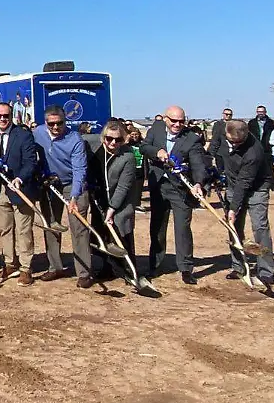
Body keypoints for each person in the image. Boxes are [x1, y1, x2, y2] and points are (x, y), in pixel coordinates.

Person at [139, 106, 208, 285]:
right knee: (157, 227)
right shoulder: (155, 129)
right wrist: (157, 152)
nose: (178, 124)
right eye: (174, 121)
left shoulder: (192, 138)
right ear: (166, 119)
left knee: (183, 228)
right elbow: (143, 147)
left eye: (181, 121)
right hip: (158, 186)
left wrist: (199, 183)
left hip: (181, 188)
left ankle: (185, 268)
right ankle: (155, 265)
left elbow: (198, 164)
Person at [33, 106, 94, 288]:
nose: (55, 127)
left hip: (73, 185)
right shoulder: (38, 133)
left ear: (65, 121)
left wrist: (74, 196)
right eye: (51, 124)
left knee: (79, 229)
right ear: (46, 123)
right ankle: (55, 267)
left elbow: (79, 170)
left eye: (59, 123)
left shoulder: (74, 139)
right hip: (50, 185)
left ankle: (84, 273)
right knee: (51, 226)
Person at [0, 102, 39, 285]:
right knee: (5, 229)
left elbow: (31, 162)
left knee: (24, 230)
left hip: (20, 188)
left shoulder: (23, 135)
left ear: (11, 116)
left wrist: (20, 179)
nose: (2, 119)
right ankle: (9, 263)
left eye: (5, 116)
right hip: (0, 189)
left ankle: (25, 268)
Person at [221, 120, 274, 291]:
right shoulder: (224, 136)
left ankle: (266, 271)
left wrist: (233, 208)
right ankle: (238, 267)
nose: (234, 145)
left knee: (260, 227)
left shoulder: (254, 152)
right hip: (232, 184)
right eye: (232, 141)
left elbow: (244, 182)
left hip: (257, 188)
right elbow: (214, 153)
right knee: (234, 227)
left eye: (238, 143)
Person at [87, 120, 140, 284]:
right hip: (99, 199)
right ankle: (106, 267)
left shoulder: (128, 157)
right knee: (102, 235)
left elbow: (124, 186)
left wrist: (112, 208)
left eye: (118, 140)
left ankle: (130, 270)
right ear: (103, 137)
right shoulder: (97, 150)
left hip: (120, 203)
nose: (113, 143)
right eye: (109, 138)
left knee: (122, 235)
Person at [207, 108, 234, 172]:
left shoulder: (233, 124)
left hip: (232, 153)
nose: (228, 116)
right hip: (220, 153)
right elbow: (215, 139)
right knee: (221, 172)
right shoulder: (218, 124)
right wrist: (211, 153)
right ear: (223, 114)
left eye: (230, 114)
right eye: (226, 114)